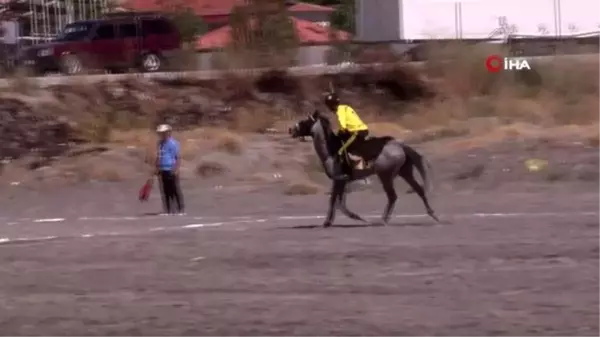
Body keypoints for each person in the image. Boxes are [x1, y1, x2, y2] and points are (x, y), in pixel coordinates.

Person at [324, 92, 369, 181]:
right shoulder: (345, 107)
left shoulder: (339, 112)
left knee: (340, 151)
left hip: (357, 132)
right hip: (361, 130)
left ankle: (353, 173)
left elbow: (343, 127)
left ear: (331, 105)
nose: (328, 108)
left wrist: (339, 133)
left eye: (329, 105)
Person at [155, 124, 184, 214]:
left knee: (175, 190)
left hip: (171, 169)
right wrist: (157, 167)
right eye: (160, 133)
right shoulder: (160, 144)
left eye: (164, 133)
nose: (162, 135)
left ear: (168, 132)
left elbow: (177, 157)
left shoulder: (173, 143)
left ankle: (180, 209)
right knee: (165, 191)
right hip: (162, 169)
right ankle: (168, 210)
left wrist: (176, 169)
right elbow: (159, 156)